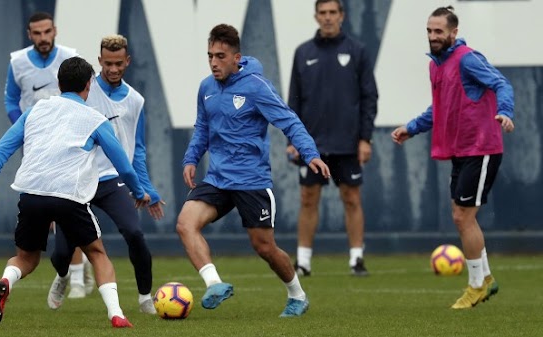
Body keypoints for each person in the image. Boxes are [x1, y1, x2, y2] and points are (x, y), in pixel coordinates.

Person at [0, 57, 149, 327]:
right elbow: (123, 165)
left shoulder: (35, 110)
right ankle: (116, 313)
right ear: (89, 84)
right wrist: (138, 191)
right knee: (97, 254)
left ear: (59, 84)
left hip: (31, 195)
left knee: (26, 258)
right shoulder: (95, 119)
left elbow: (1, 150)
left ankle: (6, 280)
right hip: (69, 197)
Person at [175, 24, 331, 318]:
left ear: (237, 58)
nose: (213, 63)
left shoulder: (256, 86)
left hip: (251, 180)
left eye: (220, 56)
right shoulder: (206, 88)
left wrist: (310, 153)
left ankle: (297, 295)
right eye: (209, 56)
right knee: (185, 223)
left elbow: (289, 121)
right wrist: (191, 158)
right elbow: (202, 128)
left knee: (264, 247)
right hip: (218, 178)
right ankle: (215, 284)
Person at [391, 6, 514, 309]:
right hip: (461, 150)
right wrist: (412, 127)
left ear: (453, 33)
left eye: (438, 32)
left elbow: (501, 84)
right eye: (429, 31)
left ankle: (476, 285)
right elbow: (440, 107)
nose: (433, 37)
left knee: (462, 216)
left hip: (482, 147)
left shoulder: (468, 59)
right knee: (460, 216)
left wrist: (506, 111)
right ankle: (485, 279)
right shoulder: (436, 64)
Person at [47, 34, 165, 314]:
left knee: (135, 233)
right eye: (107, 63)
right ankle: (63, 275)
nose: (113, 69)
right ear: (99, 61)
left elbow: (137, 151)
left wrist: (147, 189)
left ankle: (145, 297)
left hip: (112, 180)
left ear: (128, 62)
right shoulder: (82, 92)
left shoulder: (136, 101)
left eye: (118, 63)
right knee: (62, 253)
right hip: (76, 182)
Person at [4, 11, 94, 295]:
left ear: (54, 30)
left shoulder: (69, 57)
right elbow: (9, 99)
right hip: (38, 143)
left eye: (47, 32)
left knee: (68, 204)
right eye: (37, 33)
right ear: (29, 35)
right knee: (52, 209)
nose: (43, 38)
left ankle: (77, 277)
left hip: (68, 143)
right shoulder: (17, 62)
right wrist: (25, 127)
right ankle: (72, 272)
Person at [287, 0, 378, 277]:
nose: (327, 18)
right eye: (323, 13)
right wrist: (292, 138)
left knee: (351, 197)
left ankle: (356, 259)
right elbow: (294, 100)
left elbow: (369, 97)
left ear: (342, 16)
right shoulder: (303, 52)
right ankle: (303, 261)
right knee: (307, 198)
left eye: (332, 13)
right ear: (316, 16)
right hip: (310, 143)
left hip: (347, 141)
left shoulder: (357, 51)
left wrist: (365, 138)